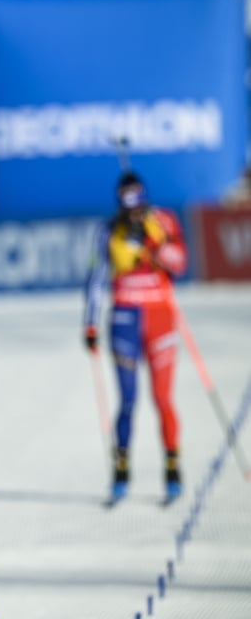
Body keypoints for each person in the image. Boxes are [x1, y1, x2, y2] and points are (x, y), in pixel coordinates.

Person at [82, 171, 188, 504]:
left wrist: (155, 246)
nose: (133, 206)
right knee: (128, 399)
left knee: (162, 397)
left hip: (159, 317)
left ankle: (172, 469)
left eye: (138, 197)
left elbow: (180, 263)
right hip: (125, 319)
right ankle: (121, 469)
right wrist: (90, 324)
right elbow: (96, 278)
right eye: (126, 199)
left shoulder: (163, 222)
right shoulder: (109, 231)